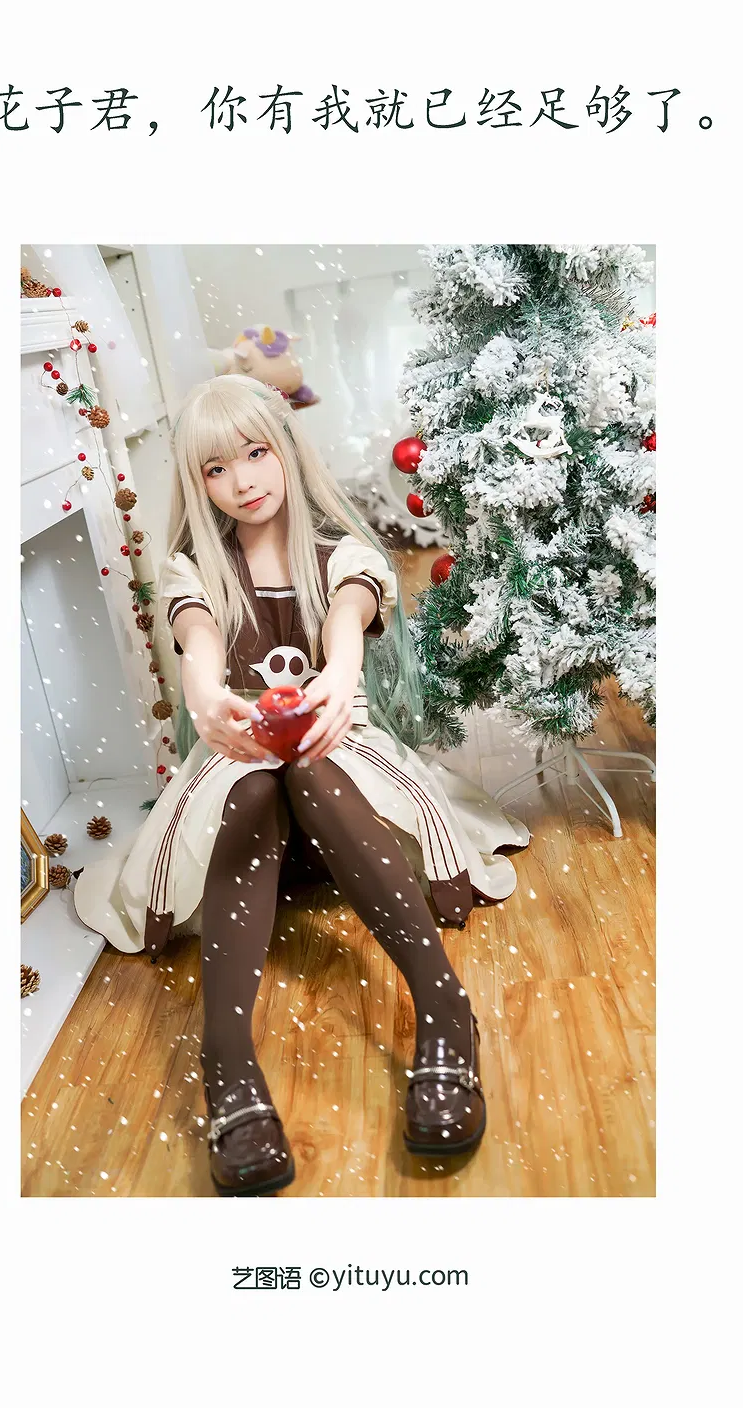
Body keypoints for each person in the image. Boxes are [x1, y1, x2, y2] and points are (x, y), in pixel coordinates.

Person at [73, 374, 530, 1196]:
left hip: (339, 770)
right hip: (244, 785)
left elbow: (348, 616)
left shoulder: (339, 554)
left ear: (285, 449)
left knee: (309, 766)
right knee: (255, 785)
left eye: (255, 454)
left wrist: (338, 675)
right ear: (198, 484)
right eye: (216, 469)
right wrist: (207, 696)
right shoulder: (194, 569)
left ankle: (444, 1009)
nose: (242, 481)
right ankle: (226, 1060)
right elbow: (197, 638)